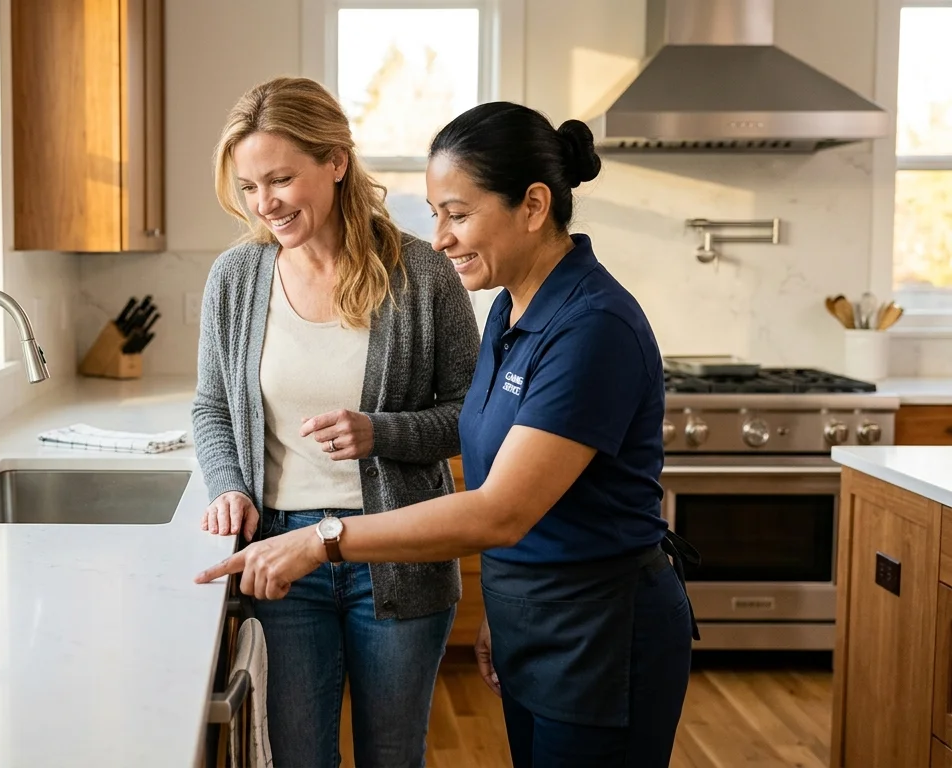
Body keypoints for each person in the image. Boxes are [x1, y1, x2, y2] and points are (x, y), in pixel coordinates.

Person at [196, 101, 699, 768]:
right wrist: (506, 609)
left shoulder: (592, 327)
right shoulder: (514, 313)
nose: (438, 237)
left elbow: (501, 511)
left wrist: (324, 538)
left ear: (533, 205)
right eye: (436, 213)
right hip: (537, 618)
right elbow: (511, 483)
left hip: (598, 634)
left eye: (457, 214)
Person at [192, 76, 479, 767]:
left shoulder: (420, 273)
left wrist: (381, 432)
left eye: (282, 179)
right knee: (297, 755)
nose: (266, 203)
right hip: (282, 560)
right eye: (251, 186)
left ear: (336, 162)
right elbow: (210, 406)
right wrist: (228, 484)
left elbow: (474, 417)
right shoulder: (236, 278)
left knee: (391, 753)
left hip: (397, 553)